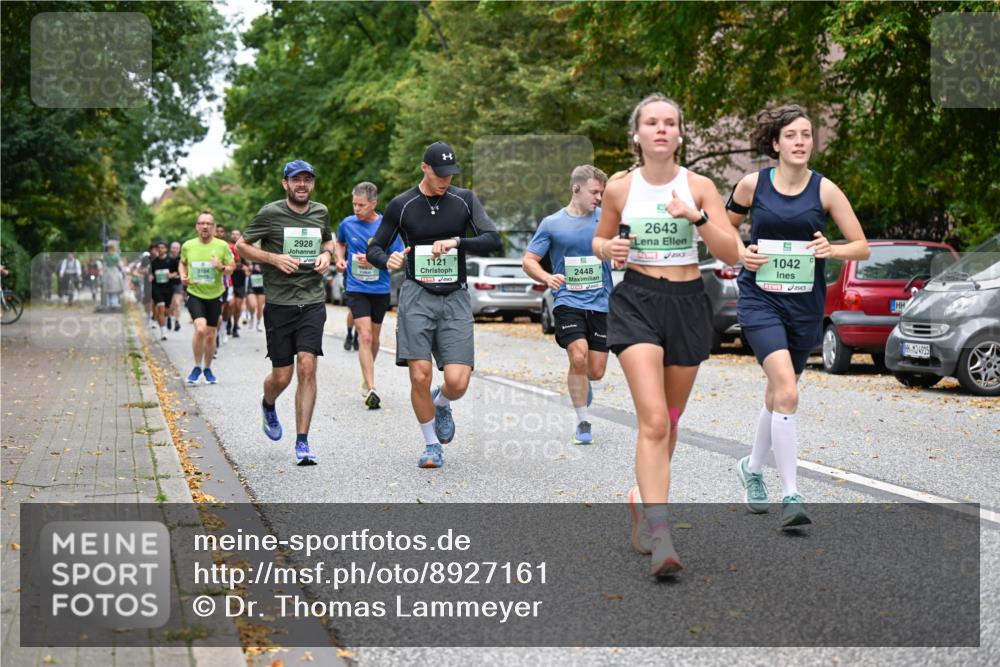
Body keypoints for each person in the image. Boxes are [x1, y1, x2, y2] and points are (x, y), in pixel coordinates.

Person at [593, 93, 740, 576]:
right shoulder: (619, 188)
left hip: (687, 303)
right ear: (637, 135)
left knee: (671, 421)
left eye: (669, 123)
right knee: (653, 420)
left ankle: (642, 497)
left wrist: (695, 217)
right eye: (651, 123)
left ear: (680, 134)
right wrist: (609, 248)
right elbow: (601, 238)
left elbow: (732, 253)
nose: (660, 129)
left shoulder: (699, 186)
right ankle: (661, 536)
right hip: (636, 301)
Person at [727, 104, 869, 528]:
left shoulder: (826, 190)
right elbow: (720, 227)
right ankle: (792, 493)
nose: (801, 142)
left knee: (778, 396)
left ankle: (751, 469)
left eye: (807, 135)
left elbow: (860, 245)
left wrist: (833, 250)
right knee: (787, 390)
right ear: (776, 143)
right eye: (792, 135)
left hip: (804, 306)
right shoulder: (753, 185)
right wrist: (740, 252)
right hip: (759, 301)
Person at [367, 141, 501, 469]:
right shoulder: (403, 204)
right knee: (419, 374)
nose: (445, 180)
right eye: (440, 174)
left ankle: (442, 403)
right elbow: (375, 248)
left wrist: (457, 242)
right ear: (424, 168)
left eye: (450, 174)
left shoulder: (464, 199)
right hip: (417, 295)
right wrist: (389, 259)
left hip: (454, 296)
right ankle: (431, 446)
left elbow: (492, 240)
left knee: (458, 380)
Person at [236, 160, 334, 466]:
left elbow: (328, 240)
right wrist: (273, 258)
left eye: (307, 179)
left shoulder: (321, 212)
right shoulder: (271, 213)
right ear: (285, 184)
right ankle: (268, 404)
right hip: (279, 304)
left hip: (312, 301)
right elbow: (241, 246)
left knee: (307, 365)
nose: (302, 185)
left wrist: (327, 254)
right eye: (296, 180)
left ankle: (302, 442)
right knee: (282, 376)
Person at [523, 165, 610, 444]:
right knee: (579, 356)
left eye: (602, 193)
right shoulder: (552, 223)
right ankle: (583, 421)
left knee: (595, 371)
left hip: (601, 302)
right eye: (595, 192)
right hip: (568, 300)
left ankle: (582, 383)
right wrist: (547, 277)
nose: (599, 197)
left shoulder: (607, 219)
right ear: (576, 188)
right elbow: (529, 260)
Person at [335, 182, 404, 410]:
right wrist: (340, 258)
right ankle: (372, 387)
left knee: (373, 338)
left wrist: (378, 258)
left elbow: (398, 255)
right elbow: (340, 242)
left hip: (380, 288)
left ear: (373, 204)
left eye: (361, 205)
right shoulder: (347, 223)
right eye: (354, 204)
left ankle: (366, 376)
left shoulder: (386, 226)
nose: (356, 209)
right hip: (356, 287)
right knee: (364, 336)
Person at [179, 212, 234, 385]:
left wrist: (221, 266)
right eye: (201, 223)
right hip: (195, 292)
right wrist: (183, 276)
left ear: (213, 227)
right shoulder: (188, 245)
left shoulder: (222, 246)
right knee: (200, 328)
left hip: (215, 294)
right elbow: (182, 262)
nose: (205, 226)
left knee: (211, 334)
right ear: (196, 226)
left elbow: (231, 268)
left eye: (208, 224)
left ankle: (207, 368)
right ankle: (196, 366)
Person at [149, 241, 177, 340]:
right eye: (158, 248)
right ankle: (163, 332)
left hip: (168, 288)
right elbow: (151, 273)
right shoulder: (153, 262)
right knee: (160, 308)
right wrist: (150, 277)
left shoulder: (171, 261)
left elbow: (177, 272)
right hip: (157, 288)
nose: (160, 250)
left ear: (166, 249)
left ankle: (167, 319)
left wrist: (172, 275)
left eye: (162, 248)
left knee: (166, 310)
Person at [227, 229, 246, 338]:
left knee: (238, 306)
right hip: (229, 278)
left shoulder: (244, 248)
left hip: (240, 279)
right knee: (231, 304)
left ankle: (235, 326)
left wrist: (247, 267)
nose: (234, 236)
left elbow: (248, 263)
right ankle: (228, 322)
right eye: (233, 234)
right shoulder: (226, 247)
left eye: (237, 234)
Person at [168, 241, 184, 331]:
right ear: (171, 249)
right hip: (168, 284)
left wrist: (176, 274)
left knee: (177, 303)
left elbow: (185, 269)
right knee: (171, 304)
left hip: (178, 283)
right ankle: (169, 318)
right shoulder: (167, 259)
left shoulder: (182, 259)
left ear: (179, 249)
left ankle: (177, 322)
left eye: (177, 248)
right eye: (173, 248)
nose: (175, 250)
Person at [246, 260, 265, 331]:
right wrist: (249, 269)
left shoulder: (264, 260)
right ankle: (251, 317)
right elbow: (245, 270)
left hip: (261, 286)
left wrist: (262, 270)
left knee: (260, 307)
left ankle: (258, 323)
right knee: (253, 305)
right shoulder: (250, 260)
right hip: (252, 285)